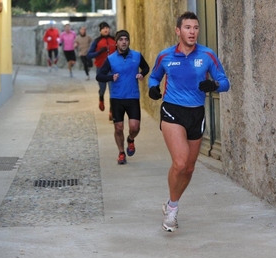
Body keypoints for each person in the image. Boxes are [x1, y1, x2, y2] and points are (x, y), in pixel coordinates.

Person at [148, 11, 230, 232]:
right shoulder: (165, 56)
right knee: (181, 162)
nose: (192, 32)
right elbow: (154, 76)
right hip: (173, 111)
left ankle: (170, 203)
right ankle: (173, 210)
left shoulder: (207, 55)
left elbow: (224, 81)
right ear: (178, 30)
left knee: (190, 168)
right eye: (187, 27)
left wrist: (214, 86)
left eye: (195, 27)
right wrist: (152, 89)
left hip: (196, 114)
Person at [96, 30, 150, 164]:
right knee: (118, 128)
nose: (124, 42)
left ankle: (130, 140)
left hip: (132, 97)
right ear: (116, 42)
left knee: (135, 127)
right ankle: (121, 152)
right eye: (121, 39)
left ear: (129, 41)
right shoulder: (110, 59)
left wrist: (142, 74)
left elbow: (146, 67)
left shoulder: (137, 56)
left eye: (126, 39)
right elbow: (99, 76)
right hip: (117, 98)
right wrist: (110, 77)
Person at [87, 22, 116, 119]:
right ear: (100, 30)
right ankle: (101, 97)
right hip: (101, 69)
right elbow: (89, 55)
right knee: (102, 89)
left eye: (107, 27)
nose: (106, 29)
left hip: (113, 69)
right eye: (103, 28)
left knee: (113, 90)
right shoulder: (96, 41)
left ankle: (112, 112)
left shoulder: (114, 40)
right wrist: (99, 52)